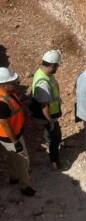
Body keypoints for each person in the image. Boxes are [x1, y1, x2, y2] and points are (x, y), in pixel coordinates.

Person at [0, 67, 36, 196]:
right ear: (3, 84)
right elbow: (5, 124)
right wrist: (15, 142)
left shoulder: (6, 93)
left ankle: (14, 177)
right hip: (11, 136)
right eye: (11, 82)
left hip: (9, 135)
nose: (14, 83)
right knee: (23, 160)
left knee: (11, 157)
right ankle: (25, 186)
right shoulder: (2, 103)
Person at [31, 50, 63, 170]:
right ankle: (54, 162)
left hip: (50, 113)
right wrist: (50, 120)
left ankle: (52, 149)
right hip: (47, 116)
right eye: (57, 66)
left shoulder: (43, 74)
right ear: (52, 65)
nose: (58, 68)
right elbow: (44, 106)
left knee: (53, 135)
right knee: (53, 138)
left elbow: (53, 86)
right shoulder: (43, 82)